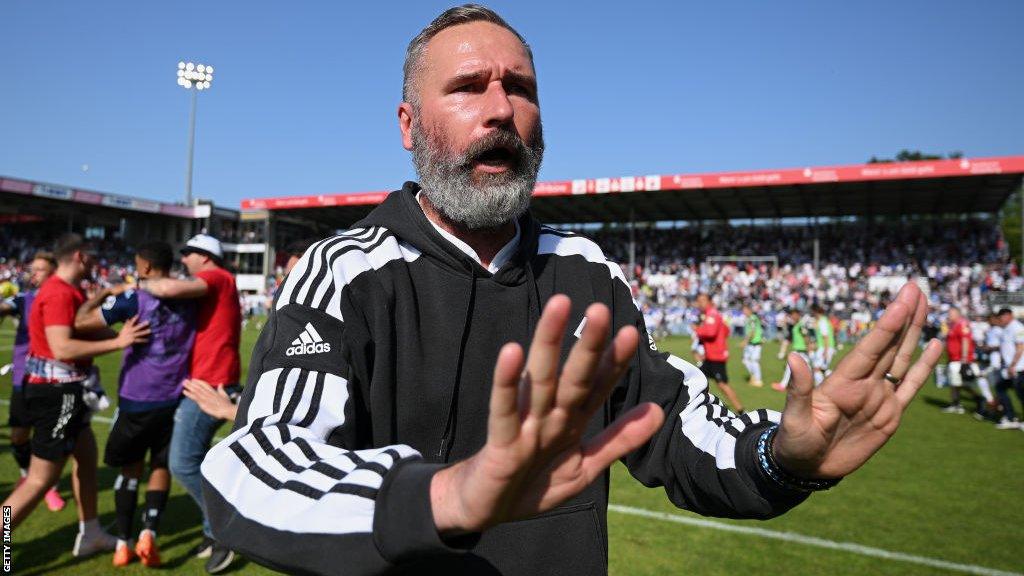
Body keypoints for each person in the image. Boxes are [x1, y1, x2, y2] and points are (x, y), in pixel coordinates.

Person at [199, 6, 942, 575]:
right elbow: (259, 462)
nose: (500, 110)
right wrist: (444, 497)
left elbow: (677, 419)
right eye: (466, 88)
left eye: (519, 89)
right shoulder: (347, 270)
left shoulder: (587, 272)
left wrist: (782, 456)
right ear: (408, 123)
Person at [1, 233, 150, 558]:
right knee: (39, 481)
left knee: (86, 457)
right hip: (57, 394)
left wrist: (117, 328)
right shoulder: (57, 292)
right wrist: (118, 342)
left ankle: (91, 533)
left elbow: (79, 327)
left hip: (65, 390)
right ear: (80, 256)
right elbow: (62, 346)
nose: (96, 263)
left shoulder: (66, 290)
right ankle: (4, 546)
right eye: (92, 257)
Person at [75, 241, 197, 567]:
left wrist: (103, 296)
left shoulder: (133, 299)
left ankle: (123, 543)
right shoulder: (191, 296)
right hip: (174, 397)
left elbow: (81, 324)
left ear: (143, 267)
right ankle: (149, 534)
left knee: (130, 469)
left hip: (137, 399)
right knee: (160, 467)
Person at [137, 233, 242, 573]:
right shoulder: (217, 279)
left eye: (189, 254)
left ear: (206, 257)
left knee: (182, 462)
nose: (183, 260)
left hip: (210, 383)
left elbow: (168, 289)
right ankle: (216, 530)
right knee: (190, 459)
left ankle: (225, 530)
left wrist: (137, 281)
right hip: (205, 379)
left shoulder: (217, 276)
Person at [0, 252, 66, 511]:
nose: (34, 273)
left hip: (52, 379)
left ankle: (49, 486)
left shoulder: (61, 299)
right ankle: (28, 475)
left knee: (46, 439)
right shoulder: (24, 299)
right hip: (23, 378)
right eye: (33, 269)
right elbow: (5, 307)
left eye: (41, 269)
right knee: (18, 436)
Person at [694, 293, 744, 411]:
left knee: (722, 384)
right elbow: (726, 330)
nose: (700, 304)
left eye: (703, 300)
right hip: (711, 356)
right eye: (699, 301)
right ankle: (706, 405)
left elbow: (711, 333)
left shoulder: (712, 314)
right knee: (699, 379)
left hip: (716, 356)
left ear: (710, 302)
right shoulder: (711, 315)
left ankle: (741, 410)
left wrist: (698, 330)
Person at [941, 307, 978, 415]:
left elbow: (965, 340)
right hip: (953, 359)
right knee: (954, 383)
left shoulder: (962, 324)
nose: (949, 315)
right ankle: (955, 404)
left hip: (960, 359)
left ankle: (978, 399)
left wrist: (964, 358)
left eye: (951, 313)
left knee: (961, 383)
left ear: (958, 314)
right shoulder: (953, 325)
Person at [772, 308, 816, 392]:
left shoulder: (800, 325)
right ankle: (785, 385)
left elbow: (806, 336)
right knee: (795, 367)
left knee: (807, 369)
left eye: (794, 315)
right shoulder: (796, 325)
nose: (792, 316)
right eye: (791, 315)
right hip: (798, 350)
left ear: (798, 315)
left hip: (802, 351)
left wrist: (809, 348)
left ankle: (784, 385)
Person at [994, 308, 1024, 429]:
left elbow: (1020, 347)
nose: (1001, 319)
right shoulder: (1006, 328)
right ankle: (1010, 416)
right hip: (1010, 368)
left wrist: (1013, 365)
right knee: (1000, 388)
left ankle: (1011, 416)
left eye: (1002, 316)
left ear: (1009, 315)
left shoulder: (1017, 327)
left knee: (1021, 393)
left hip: (1019, 368)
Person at [741, 302, 764, 387]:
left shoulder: (753, 318)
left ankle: (758, 380)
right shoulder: (749, 318)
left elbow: (752, 331)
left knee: (754, 360)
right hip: (750, 343)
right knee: (745, 360)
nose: (743, 312)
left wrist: (745, 341)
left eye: (745, 310)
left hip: (755, 343)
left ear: (749, 310)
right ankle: (753, 376)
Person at [812, 304, 835, 385]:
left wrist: (825, 351)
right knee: (822, 369)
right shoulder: (823, 321)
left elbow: (825, 337)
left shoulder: (822, 321)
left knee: (816, 369)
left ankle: (819, 388)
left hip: (825, 348)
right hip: (825, 347)